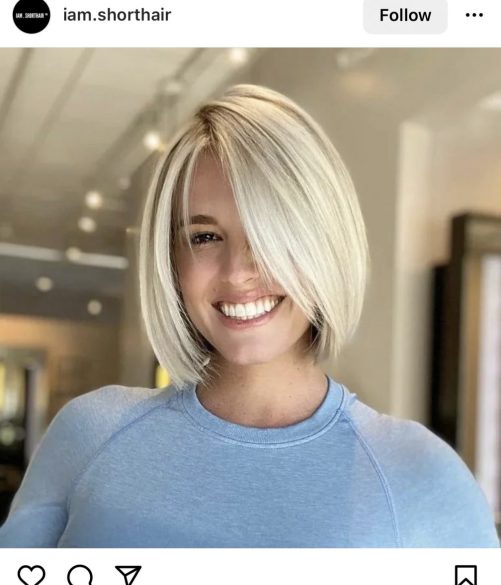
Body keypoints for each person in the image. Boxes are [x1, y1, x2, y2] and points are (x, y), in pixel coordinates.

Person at [0, 84, 498, 548]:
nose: (239, 272)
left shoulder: (421, 475)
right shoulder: (88, 434)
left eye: (271, 232)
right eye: (204, 237)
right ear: (171, 260)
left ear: (327, 243)